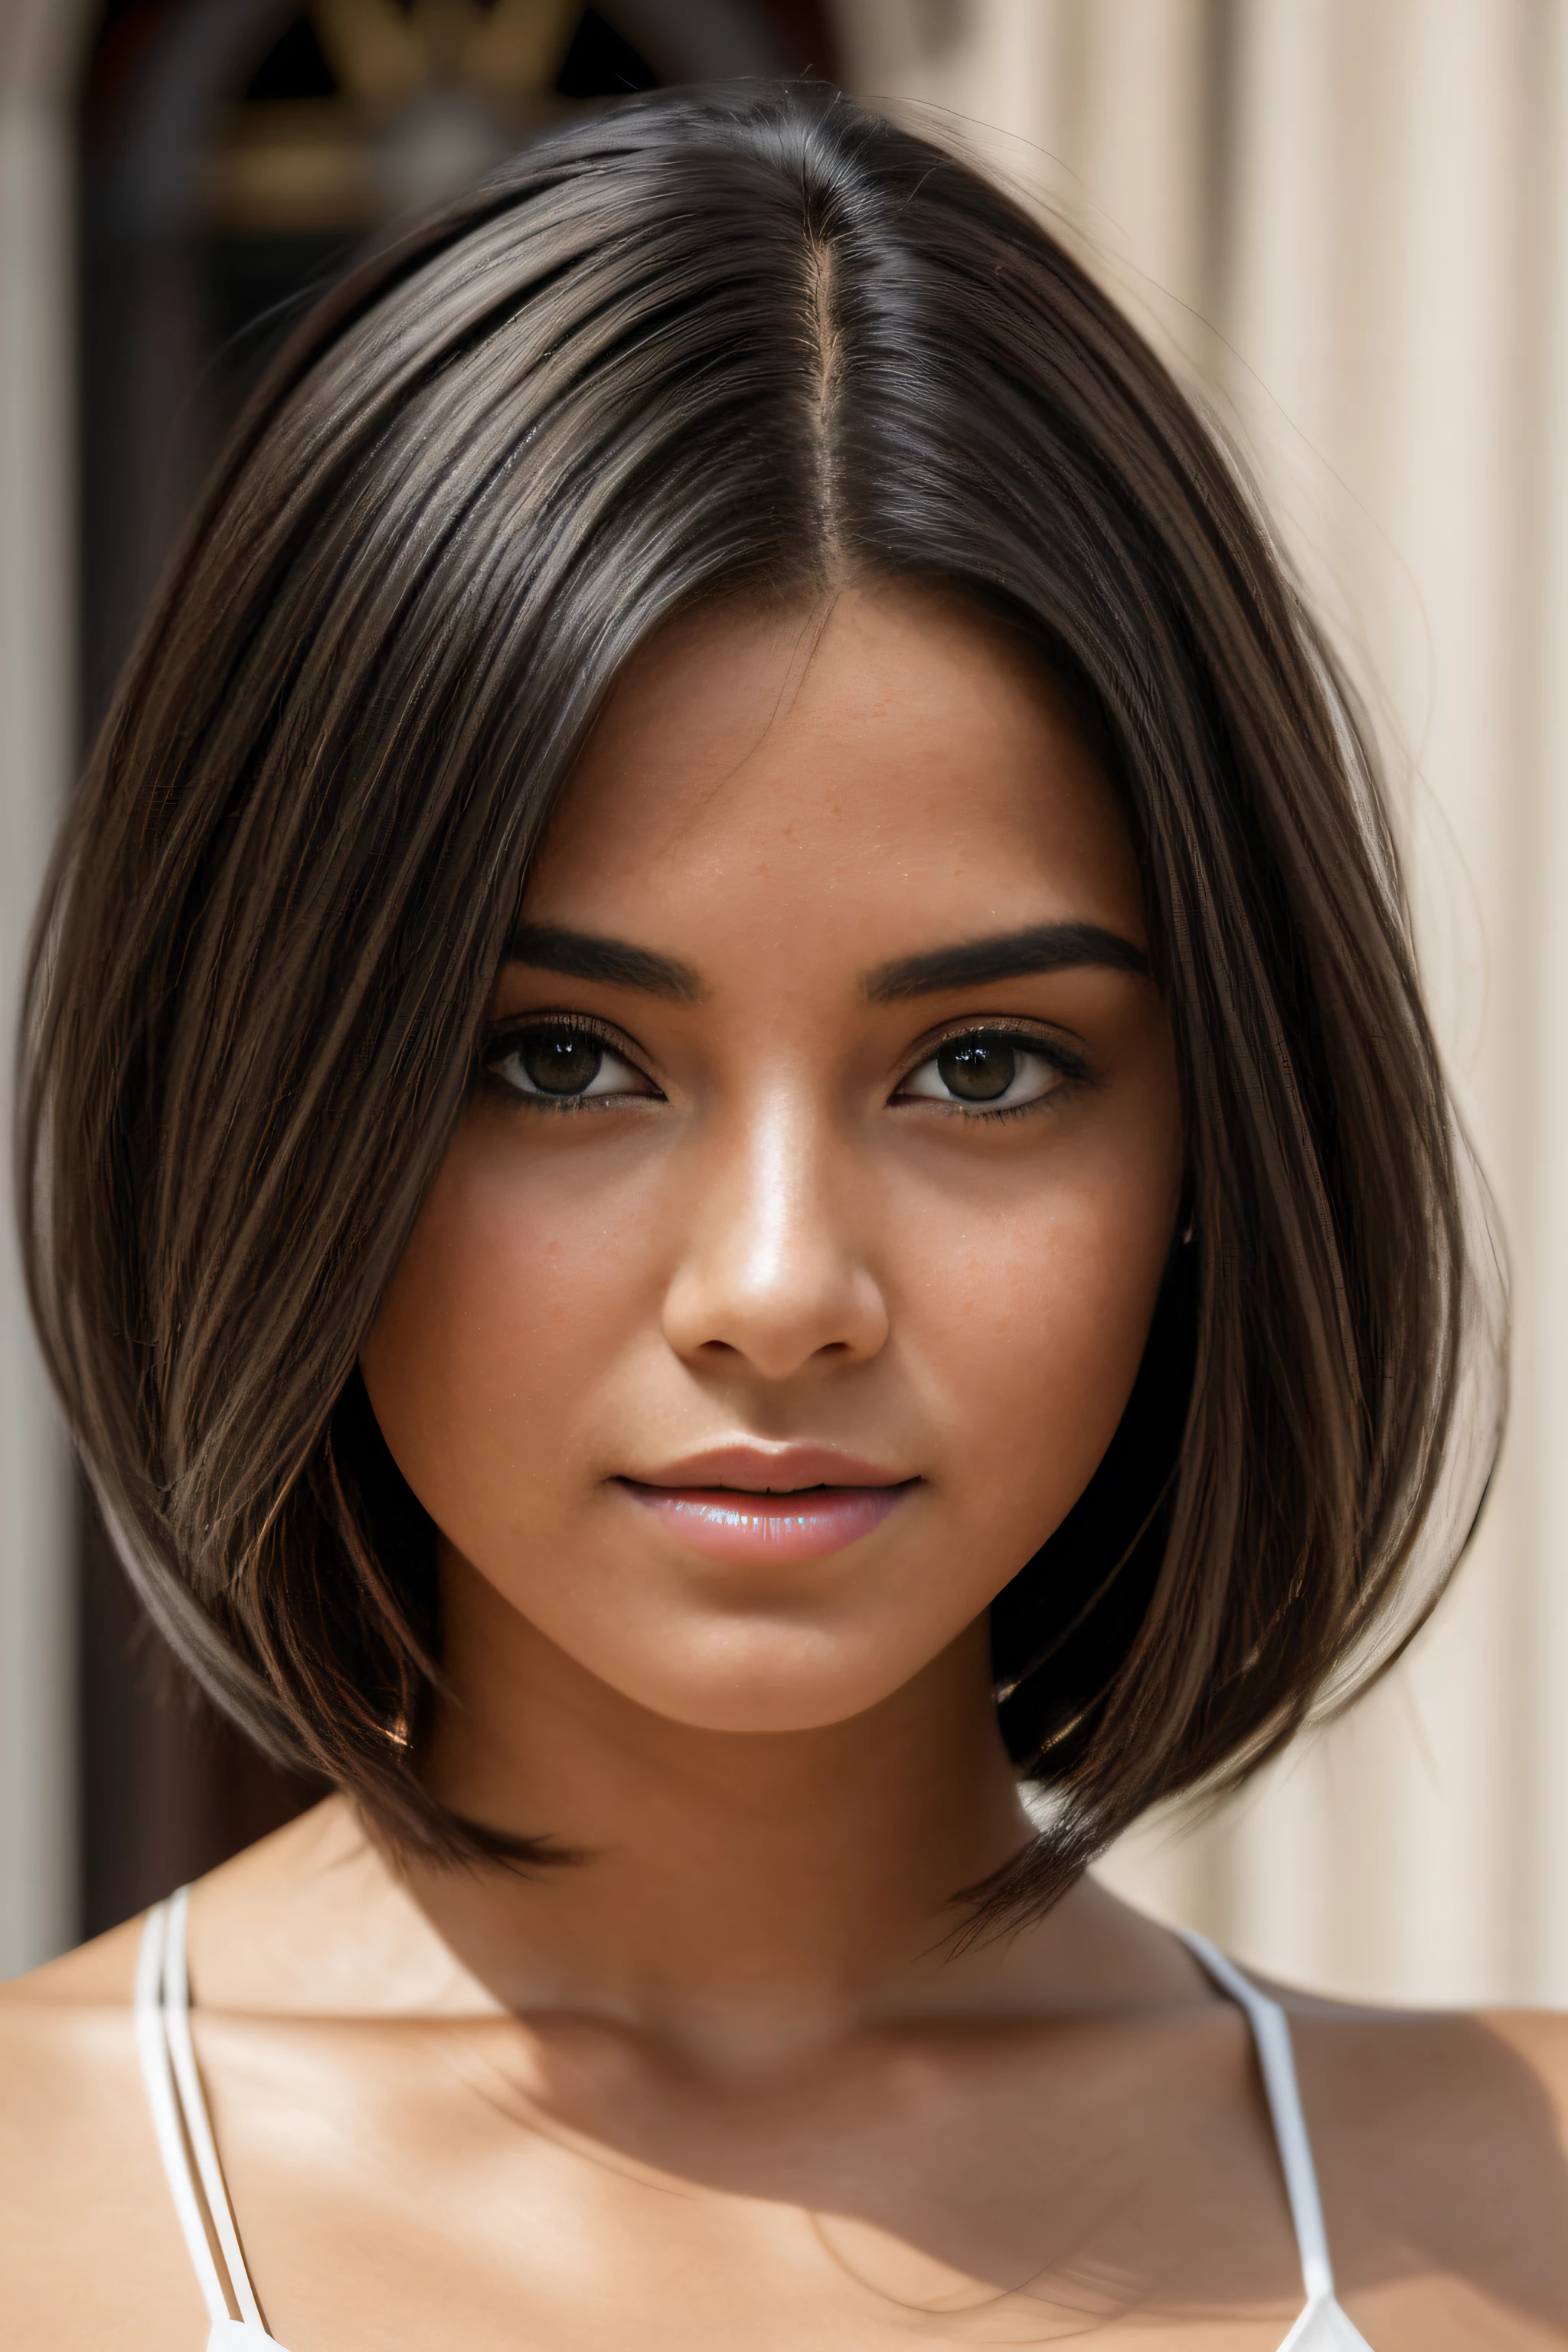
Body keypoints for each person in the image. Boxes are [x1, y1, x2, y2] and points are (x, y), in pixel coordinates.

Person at [1, 77, 1562, 2352]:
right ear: (277, 1091)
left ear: (1222, 1139)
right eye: (559, 1061)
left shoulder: (1509, 2218)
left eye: (982, 1069)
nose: (777, 1292)